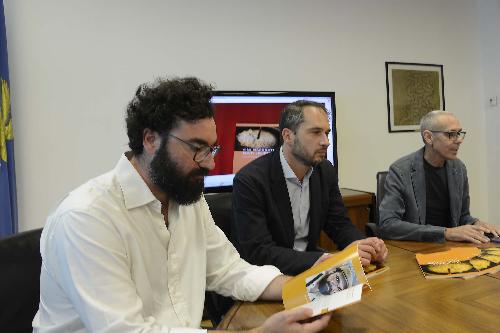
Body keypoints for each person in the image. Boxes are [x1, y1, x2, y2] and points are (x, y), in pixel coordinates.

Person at [32, 77, 332, 333]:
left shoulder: (187, 200)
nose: (211, 163)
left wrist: (307, 288)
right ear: (150, 139)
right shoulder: (87, 218)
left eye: (211, 148)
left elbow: (230, 270)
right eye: (197, 149)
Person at [232, 100, 388, 276]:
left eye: (326, 133)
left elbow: (338, 224)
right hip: (268, 277)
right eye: (315, 132)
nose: (326, 142)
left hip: (313, 269)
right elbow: (259, 252)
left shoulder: (325, 170)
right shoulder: (250, 180)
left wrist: (365, 246)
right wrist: (323, 259)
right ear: (288, 136)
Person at [379, 110, 500, 243]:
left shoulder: (458, 168)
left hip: (451, 248)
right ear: (428, 137)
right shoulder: (401, 170)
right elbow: (388, 224)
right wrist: (445, 233)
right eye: (451, 134)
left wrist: (476, 224)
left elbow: (462, 217)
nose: (459, 140)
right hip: (415, 248)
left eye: (459, 133)